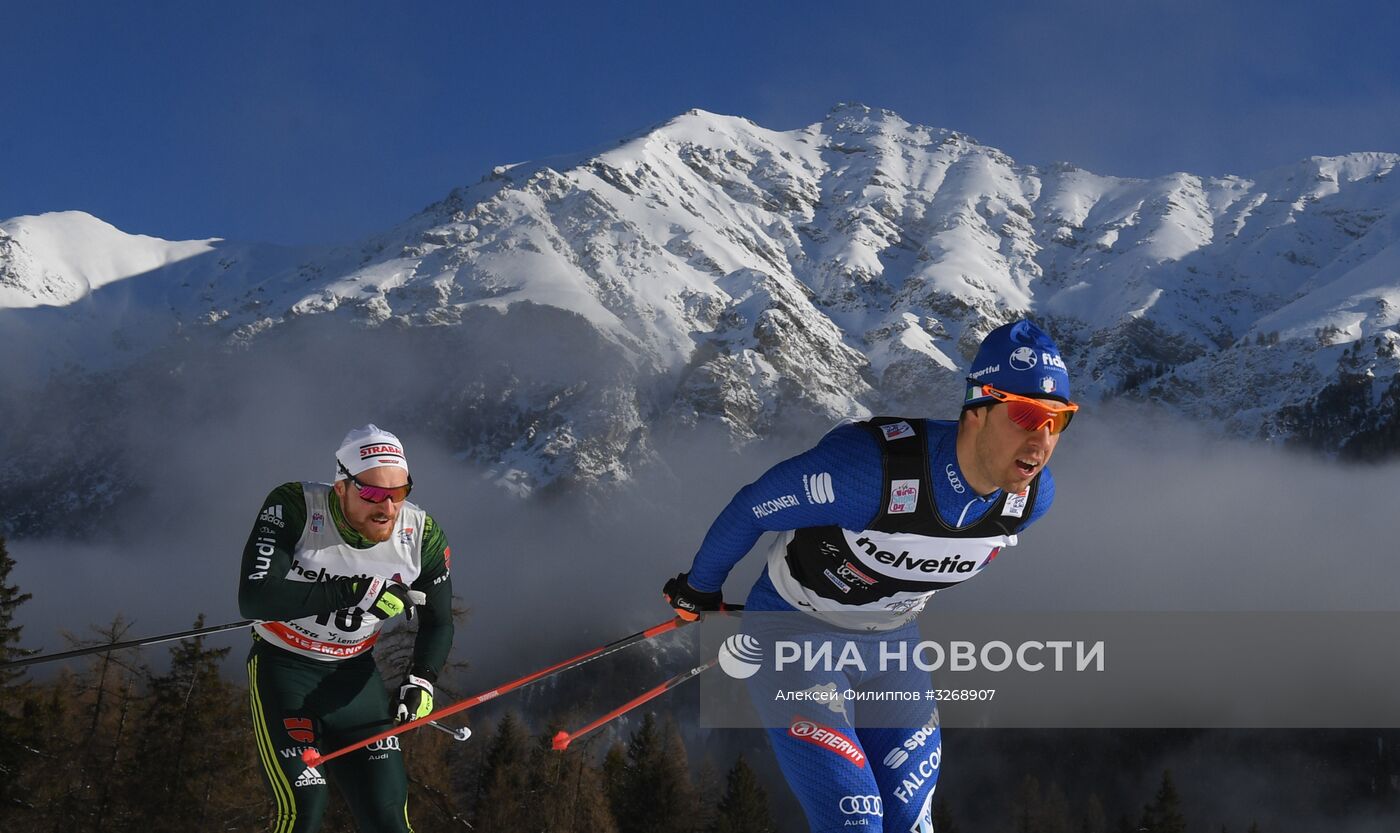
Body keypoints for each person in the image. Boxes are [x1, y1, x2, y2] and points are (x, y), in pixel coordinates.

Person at [664, 320, 1077, 833]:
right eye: (1026, 414)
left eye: (1059, 420)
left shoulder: (1032, 500)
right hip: (794, 633)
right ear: (977, 409)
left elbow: (923, 556)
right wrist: (699, 590)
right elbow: (754, 507)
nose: (1042, 439)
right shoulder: (870, 471)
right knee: (856, 820)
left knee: (910, 822)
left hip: (893, 647)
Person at [239, 425, 454, 833]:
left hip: (354, 677)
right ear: (341, 488)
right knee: (303, 806)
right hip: (284, 670)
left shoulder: (420, 535)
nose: (387, 507)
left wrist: (421, 680)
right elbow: (255, 597)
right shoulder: (296, 506)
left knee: (388, 816)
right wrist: (354, 591)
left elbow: (439, 621)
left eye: (399, 493)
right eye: (372, 493)